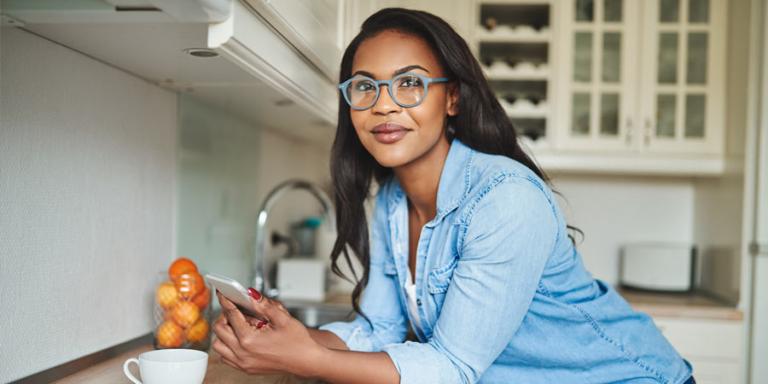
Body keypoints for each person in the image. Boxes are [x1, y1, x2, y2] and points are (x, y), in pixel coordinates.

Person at [211, 8, 696, 384]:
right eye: (365, 87)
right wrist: (287, 337)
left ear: (453, 98)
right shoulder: (391, 204)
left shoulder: (504, 200)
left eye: (410, 84)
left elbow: (452, 369)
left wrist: (307, 358)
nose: (383, 104)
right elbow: (377, 334)